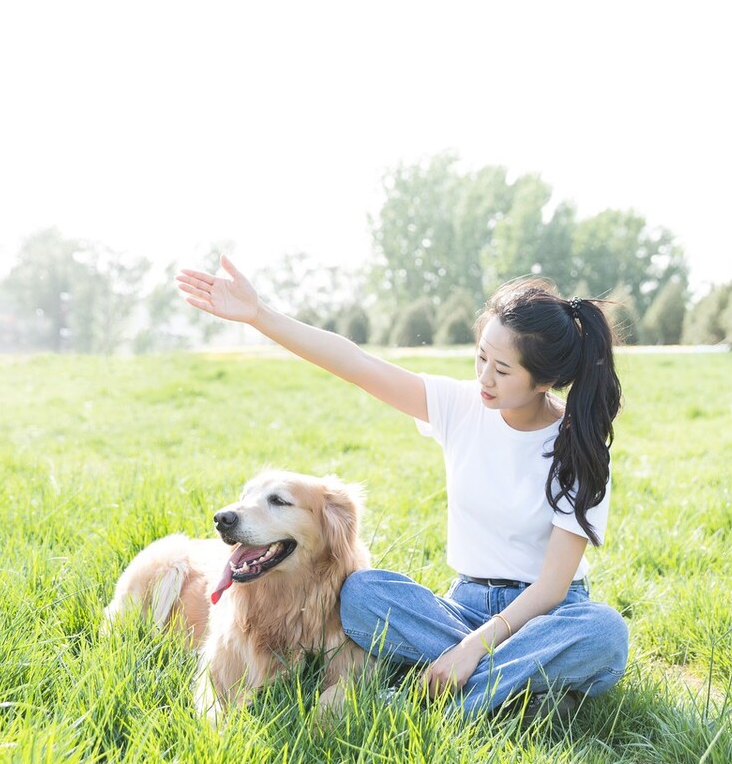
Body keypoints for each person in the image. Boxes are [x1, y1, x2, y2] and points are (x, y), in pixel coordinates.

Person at [176, 255, 629, 716]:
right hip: (460, 609)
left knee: (604, 632)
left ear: (545, 381)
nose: (484, 378)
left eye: (503, 370)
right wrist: (259, 314)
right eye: (481, 357)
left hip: (545, 617)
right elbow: (355, 362)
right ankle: (520, 691)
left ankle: (423, 705)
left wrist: (470, 650)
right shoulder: (461, 405)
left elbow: (552, 589)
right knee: (362, 594)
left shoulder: (580, 448)